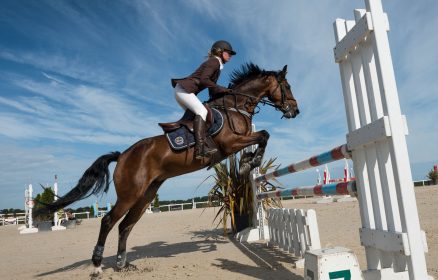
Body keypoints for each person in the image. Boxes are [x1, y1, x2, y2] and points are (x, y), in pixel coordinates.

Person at [171, 40, 236, 159]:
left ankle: (189, 143)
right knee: (202, 112)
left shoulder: (217, 65)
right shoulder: (214, 61)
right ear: (220, 51)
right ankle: (200, 149)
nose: (230, 55)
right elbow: (204, 80)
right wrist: (221, 88)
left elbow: (212, 89)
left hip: (183, 91)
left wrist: (227, 92)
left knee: (196, 116)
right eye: (228, 52)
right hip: (184, 90)